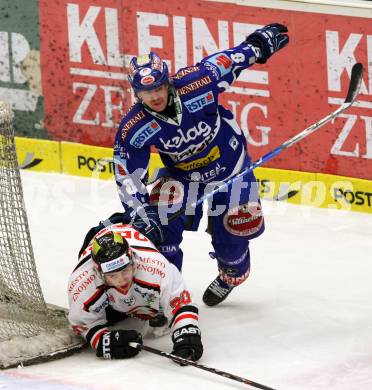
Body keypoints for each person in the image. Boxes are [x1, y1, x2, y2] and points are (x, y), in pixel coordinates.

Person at [113, 24, 289, 306]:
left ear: (168, 81)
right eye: (147, 92)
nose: (155, 96)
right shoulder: (134, 127)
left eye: (158, 87)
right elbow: (126, 177)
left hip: (230, 166)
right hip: (183, 176)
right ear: (137, 94)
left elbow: (229, 60)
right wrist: (140, 214)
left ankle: (232, 273)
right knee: (160, 227)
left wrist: (257, 46)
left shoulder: (198, 82)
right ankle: (165, 292)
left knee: (235, 232)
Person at [68, 214, 203, 362]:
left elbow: (180, 300)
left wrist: (187, 331)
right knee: (113, 315)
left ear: (132, 260)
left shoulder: (154, 266)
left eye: (125, 270)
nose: (121, 279)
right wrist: (105, 341)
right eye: (113, 275)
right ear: (99, 273)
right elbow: (83, 323)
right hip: (100, 235)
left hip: (137, 234)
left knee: (163, 236)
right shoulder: (82, 283)